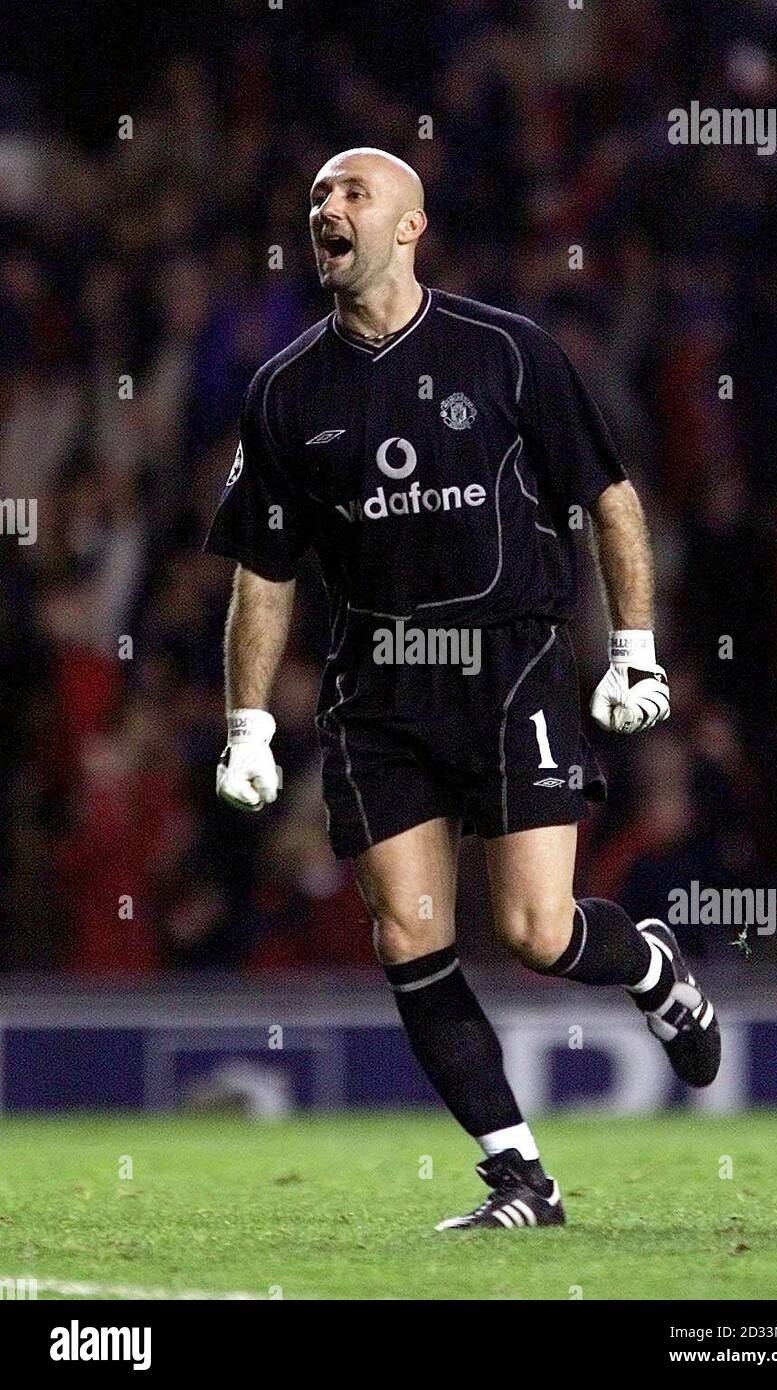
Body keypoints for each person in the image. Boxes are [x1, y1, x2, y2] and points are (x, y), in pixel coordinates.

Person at [205, 148, 720, 1232]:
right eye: (317, 196)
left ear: (409, 227)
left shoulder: (506, 350)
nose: (327, 208)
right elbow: (263, 567)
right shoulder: (284, 390)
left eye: (353, 193)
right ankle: (521, 1180)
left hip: (508, 665)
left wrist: (634, 648)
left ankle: (652, 968)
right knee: (408, 933)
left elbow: (609, 498)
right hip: (376, 689)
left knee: (536, 931)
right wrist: (246, 724)